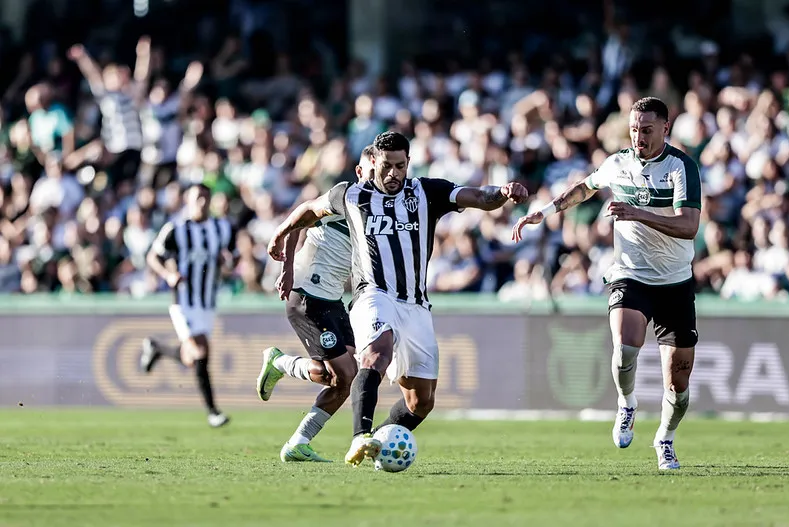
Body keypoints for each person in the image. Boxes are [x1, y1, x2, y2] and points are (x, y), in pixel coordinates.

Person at [267, 131, 527, 466]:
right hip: (373, 295)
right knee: (377, 354)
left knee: (422, 401)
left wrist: (503, 193)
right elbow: (308, 211)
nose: (394, 174)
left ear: (408, 163)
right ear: (373, 162)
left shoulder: (427, 192)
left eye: (400, 166)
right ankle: (360, 436)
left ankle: (377, 445)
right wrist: (280, 233)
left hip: (416, 304)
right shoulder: (350, 195)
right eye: (387, 166)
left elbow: (479, 196)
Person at [512, 97, 701, 470]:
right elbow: (584, 187)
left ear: (665, 128)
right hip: (631, 274)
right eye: (634, 129)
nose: (638, 137)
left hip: (676, 282)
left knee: (678, 386)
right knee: (624, 349)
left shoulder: (682, 167)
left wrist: (636, 214)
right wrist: (545, 211)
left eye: (646, 130)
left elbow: (688, 226)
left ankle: (664, 438)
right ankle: (626, 404)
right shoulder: (619, 163)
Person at [255, 146, 375, 462]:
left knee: (344, 377)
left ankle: (297, 439)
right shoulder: (343, 199)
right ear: (362, 173)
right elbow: (299, 220)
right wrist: (288, 268)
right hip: (308, 296)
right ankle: (281, 368)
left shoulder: (377, 211)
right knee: (346, 375)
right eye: (374, 171)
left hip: (333, 299)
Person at [139, 183, 237, 428]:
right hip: (183, 301)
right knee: (201, 351)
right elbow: (153, 256)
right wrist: (168, 276)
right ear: (187, 201)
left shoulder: (221, 227)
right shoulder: (176, 229)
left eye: (205, 198)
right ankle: (213, 412)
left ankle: (157, 349)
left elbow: (230, 260)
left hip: (207, 302)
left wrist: (228, 262)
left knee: (193, 358)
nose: (202, 203)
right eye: (197, 198)